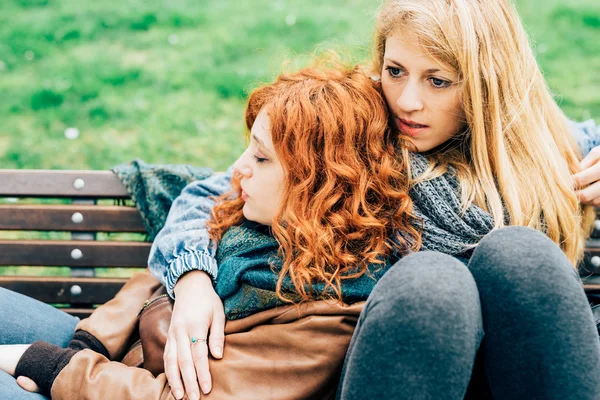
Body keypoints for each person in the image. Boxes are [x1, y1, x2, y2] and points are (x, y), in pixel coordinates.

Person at [142, 0, 600, 399]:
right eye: (395, 70)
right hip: (404, 368)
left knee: (517, 253)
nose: (407, 101)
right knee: (432, 280)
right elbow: (213, 191)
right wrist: (193, 281)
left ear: (487, 85)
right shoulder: (364, 134)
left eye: (438, 81)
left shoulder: (547, 150)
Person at [0, 59, 422, 399]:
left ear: (320, 184)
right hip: (97, 364)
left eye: (260, 158)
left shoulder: (327, 315)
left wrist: (49, 367)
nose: (237, 169)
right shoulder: (261, 222)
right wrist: (87, 345)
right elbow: (152, 284)